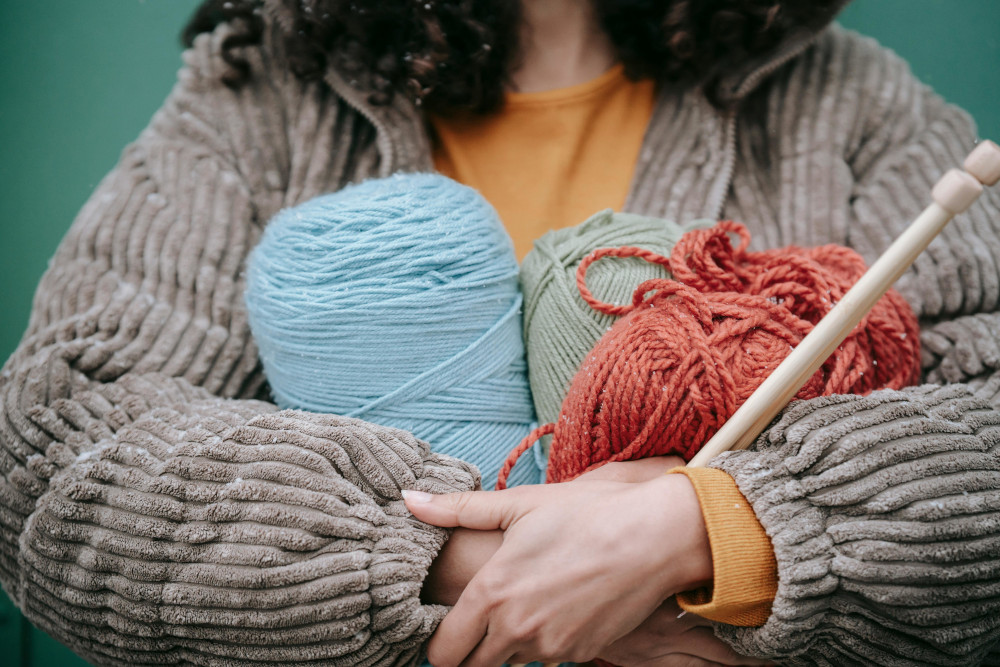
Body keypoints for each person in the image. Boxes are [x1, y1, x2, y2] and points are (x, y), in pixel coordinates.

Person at [1, 0, 998, 666]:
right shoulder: (261, 95)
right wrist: (471, 566)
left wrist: (707, 527)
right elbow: (52, 456)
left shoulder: (847, 99)